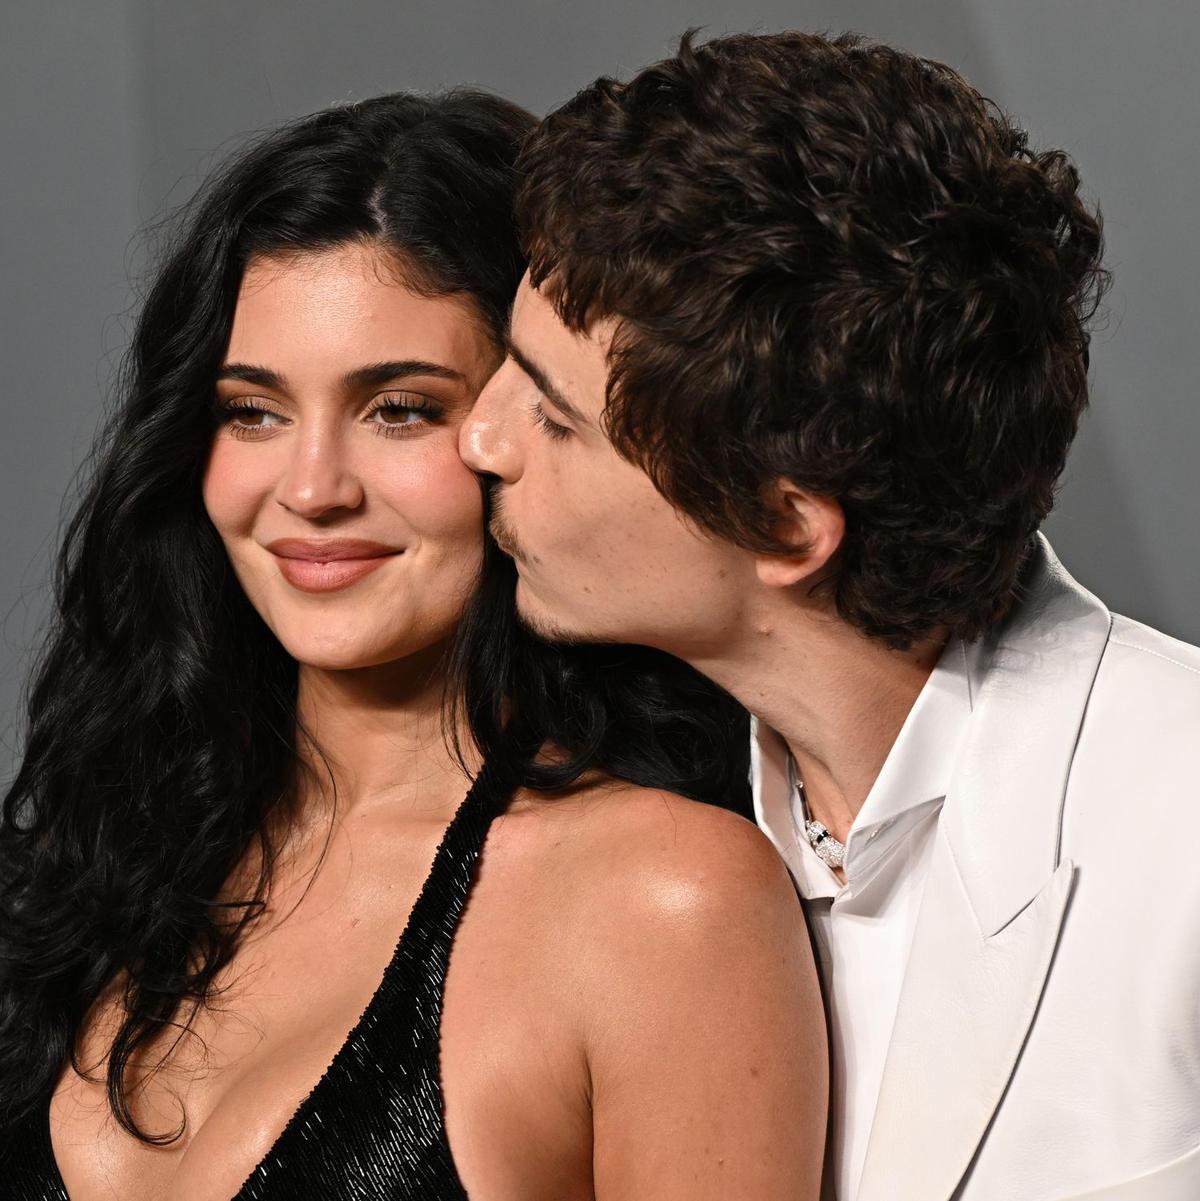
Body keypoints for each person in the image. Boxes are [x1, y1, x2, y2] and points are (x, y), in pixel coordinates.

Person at [0, 91, 828, 1199]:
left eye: (398, 409)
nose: (310, 490)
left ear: (524, 426)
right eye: (253, 411)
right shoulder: (88, 863)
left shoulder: (661, 901)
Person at [459, 29, 1200, 1201]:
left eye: (554, 419)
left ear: (786, 527)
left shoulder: (1183, 829)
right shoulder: (624, 815)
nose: (479, 437)